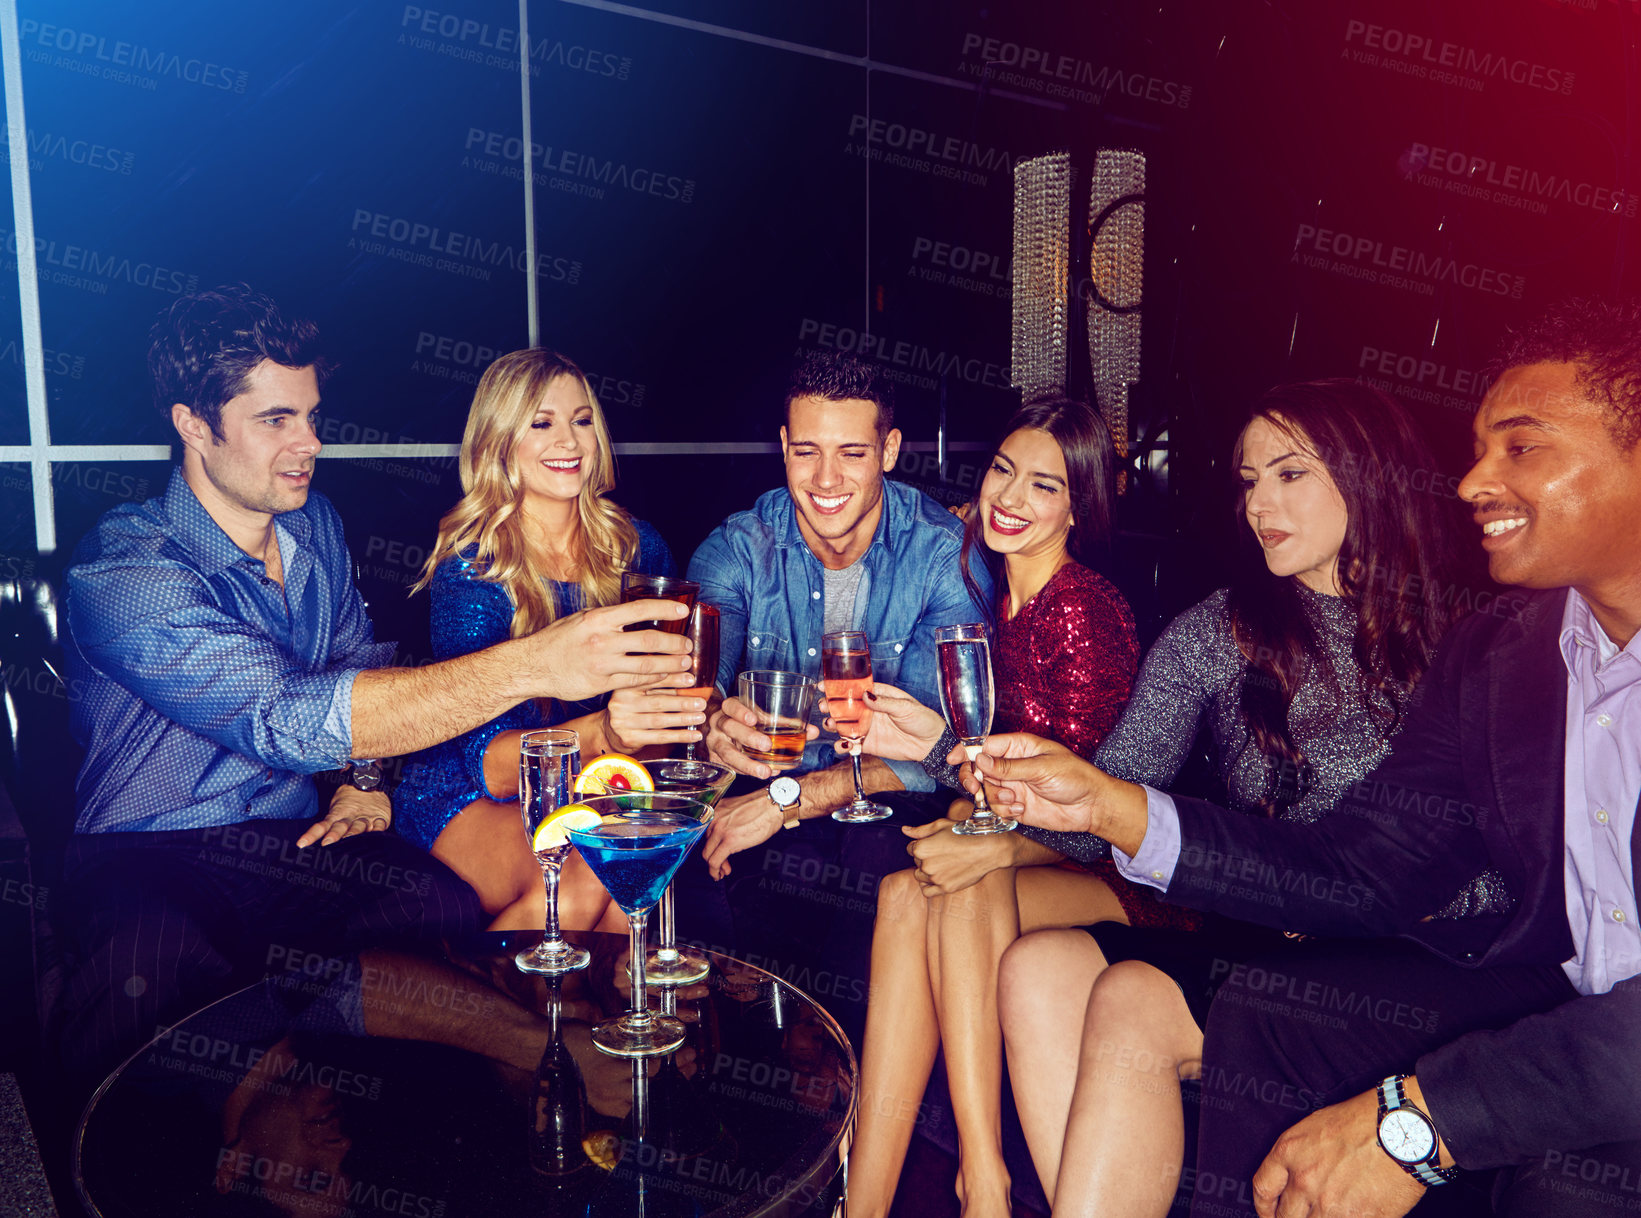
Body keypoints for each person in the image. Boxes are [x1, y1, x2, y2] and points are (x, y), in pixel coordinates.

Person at [974, 299, 1641, 1217]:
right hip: (1453, 965)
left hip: (1494, 977)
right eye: (1249, 479)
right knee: (1241, 1001)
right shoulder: (1508, 652)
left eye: (1519, 448)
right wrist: (1104, 805)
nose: (1471, 480)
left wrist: (1418, 1122)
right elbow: (1361, 867)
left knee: (1567, 1186)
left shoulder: (1452, 621)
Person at [849, 381, 1479, 1217]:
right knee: (1036, 965)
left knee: (1126, 989)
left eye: (1289, 475)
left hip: (1421, 951)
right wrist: (936, 745)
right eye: (1249, 481)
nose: (1260, 503)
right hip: (1265, 930)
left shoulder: (1466, 636)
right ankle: (980, 1191)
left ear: (1368, 478)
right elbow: (1093, 813)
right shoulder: (1214, 631)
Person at [59, 286, 692, 1085]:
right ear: (192, 423)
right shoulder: (126, 568)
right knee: (148, 965)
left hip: (291, 839)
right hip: (150, 848)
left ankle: (407, 1105)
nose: (309, 443)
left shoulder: (313, 525)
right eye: (275, 420)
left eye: (311, 416)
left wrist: (364, 782)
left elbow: (362, 661)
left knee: (435, 907)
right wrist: (539, 663)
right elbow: (283, 720)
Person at [845, 398, 1144, 1218]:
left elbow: (1091, 805)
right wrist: (944, 754)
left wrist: (987, 834)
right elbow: (987, 776)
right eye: (1002, 470)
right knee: (902, 892)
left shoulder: (1079, 610)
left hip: (1119, 871)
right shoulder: (994, 594)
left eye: (1043, 486)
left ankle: (984, 1180)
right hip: (1037, 843)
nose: (1011, 496)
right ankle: (862, 1200)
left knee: (958, 880)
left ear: (1077, 508)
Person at [392, 349, 696, 932]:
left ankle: (596, 1017)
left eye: (582, 420)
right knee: (590, 865)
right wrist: (606, 731)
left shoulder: (638, 547)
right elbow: (492, 768)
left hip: (594, 786)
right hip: (468, 795)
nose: (570, 441)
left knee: (635, 859)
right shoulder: (472, 566)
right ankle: (505, 1020)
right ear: (500, 441)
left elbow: (663, 708)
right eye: (541, 422)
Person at [688, 350, 987, 877]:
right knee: (705, 873)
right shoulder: (734, 550)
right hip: (760, 787)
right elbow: (697, 692)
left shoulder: (943, 558)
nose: (826, 480)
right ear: (784, 447)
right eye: (807, 451)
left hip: (880, 800)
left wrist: (789, 801)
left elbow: (933, 754)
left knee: (876, 858)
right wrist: (711, 722)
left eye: (852, 453)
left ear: (889, 451)